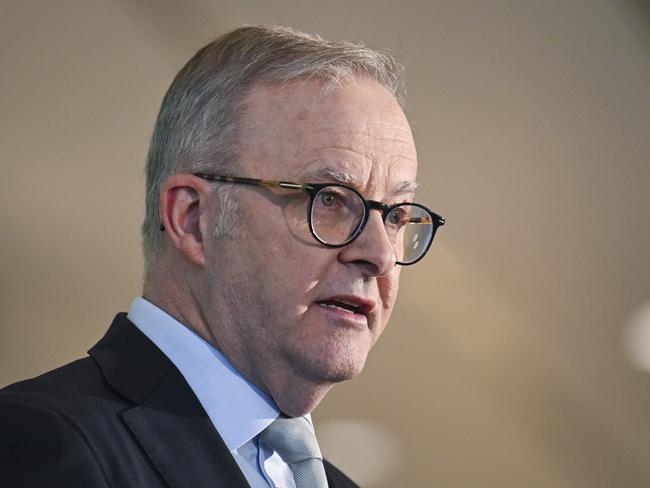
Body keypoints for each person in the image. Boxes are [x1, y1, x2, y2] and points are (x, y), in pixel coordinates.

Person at [0, 25, 444, 487]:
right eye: (330, 199)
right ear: (193, 219)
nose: (379, 255)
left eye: (395, 215)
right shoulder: (42, 444)